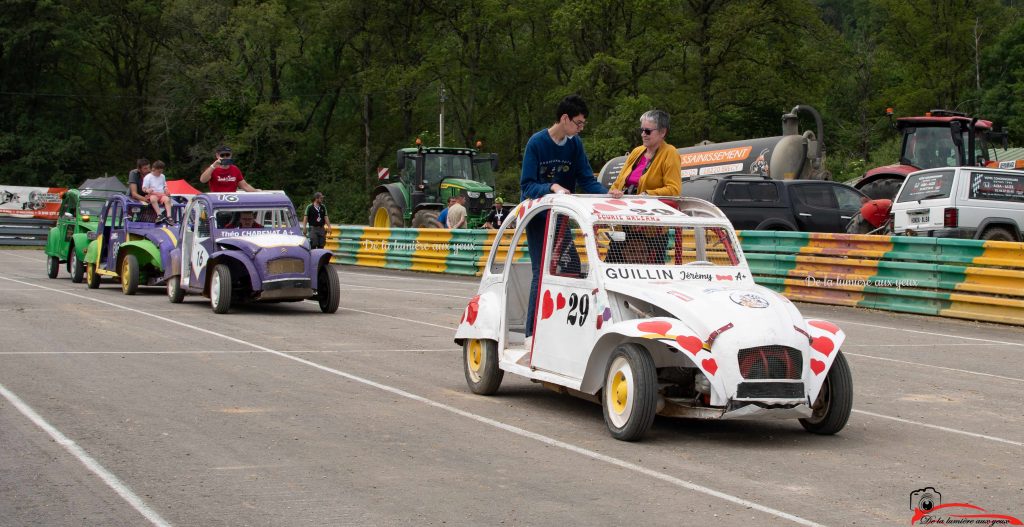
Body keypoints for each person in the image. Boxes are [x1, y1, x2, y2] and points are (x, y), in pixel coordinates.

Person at [520, 94, 608, 348]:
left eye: (583, 125)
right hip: (539, 215)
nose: (580, 129)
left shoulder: (575, 144)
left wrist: (608, 193)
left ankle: (561, 327)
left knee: (570, 268)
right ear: (564, 119)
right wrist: (553, 186)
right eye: (578, 123)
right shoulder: (536, 143)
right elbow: (527, 186)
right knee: (542, 269)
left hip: (562, 215)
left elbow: (586, 179)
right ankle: (531, 333)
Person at [607, 109, 682, 263]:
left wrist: (646, 195)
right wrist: (614, 191)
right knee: (613, 266)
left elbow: (674, 190)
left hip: (651, 229)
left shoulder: (670, 153)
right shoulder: (636, 152)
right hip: (625, 223)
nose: (643, 134)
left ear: (662, 132)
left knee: (650, 272)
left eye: (647, 131)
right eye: (641, 130)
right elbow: (618, 182)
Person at [142, 160, 175, 225]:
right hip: (153, 194)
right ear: (154, 169)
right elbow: (144, 188)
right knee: (153, 199)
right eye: (159, 171)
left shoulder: (162, 176)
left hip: (161, 194)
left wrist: (166, 189)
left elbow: (164, 185)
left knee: (167, 200)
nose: (160, 173)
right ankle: (159, 215)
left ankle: (169, 216)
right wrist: (147, 190)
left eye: (161, 171)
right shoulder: (148, 177)